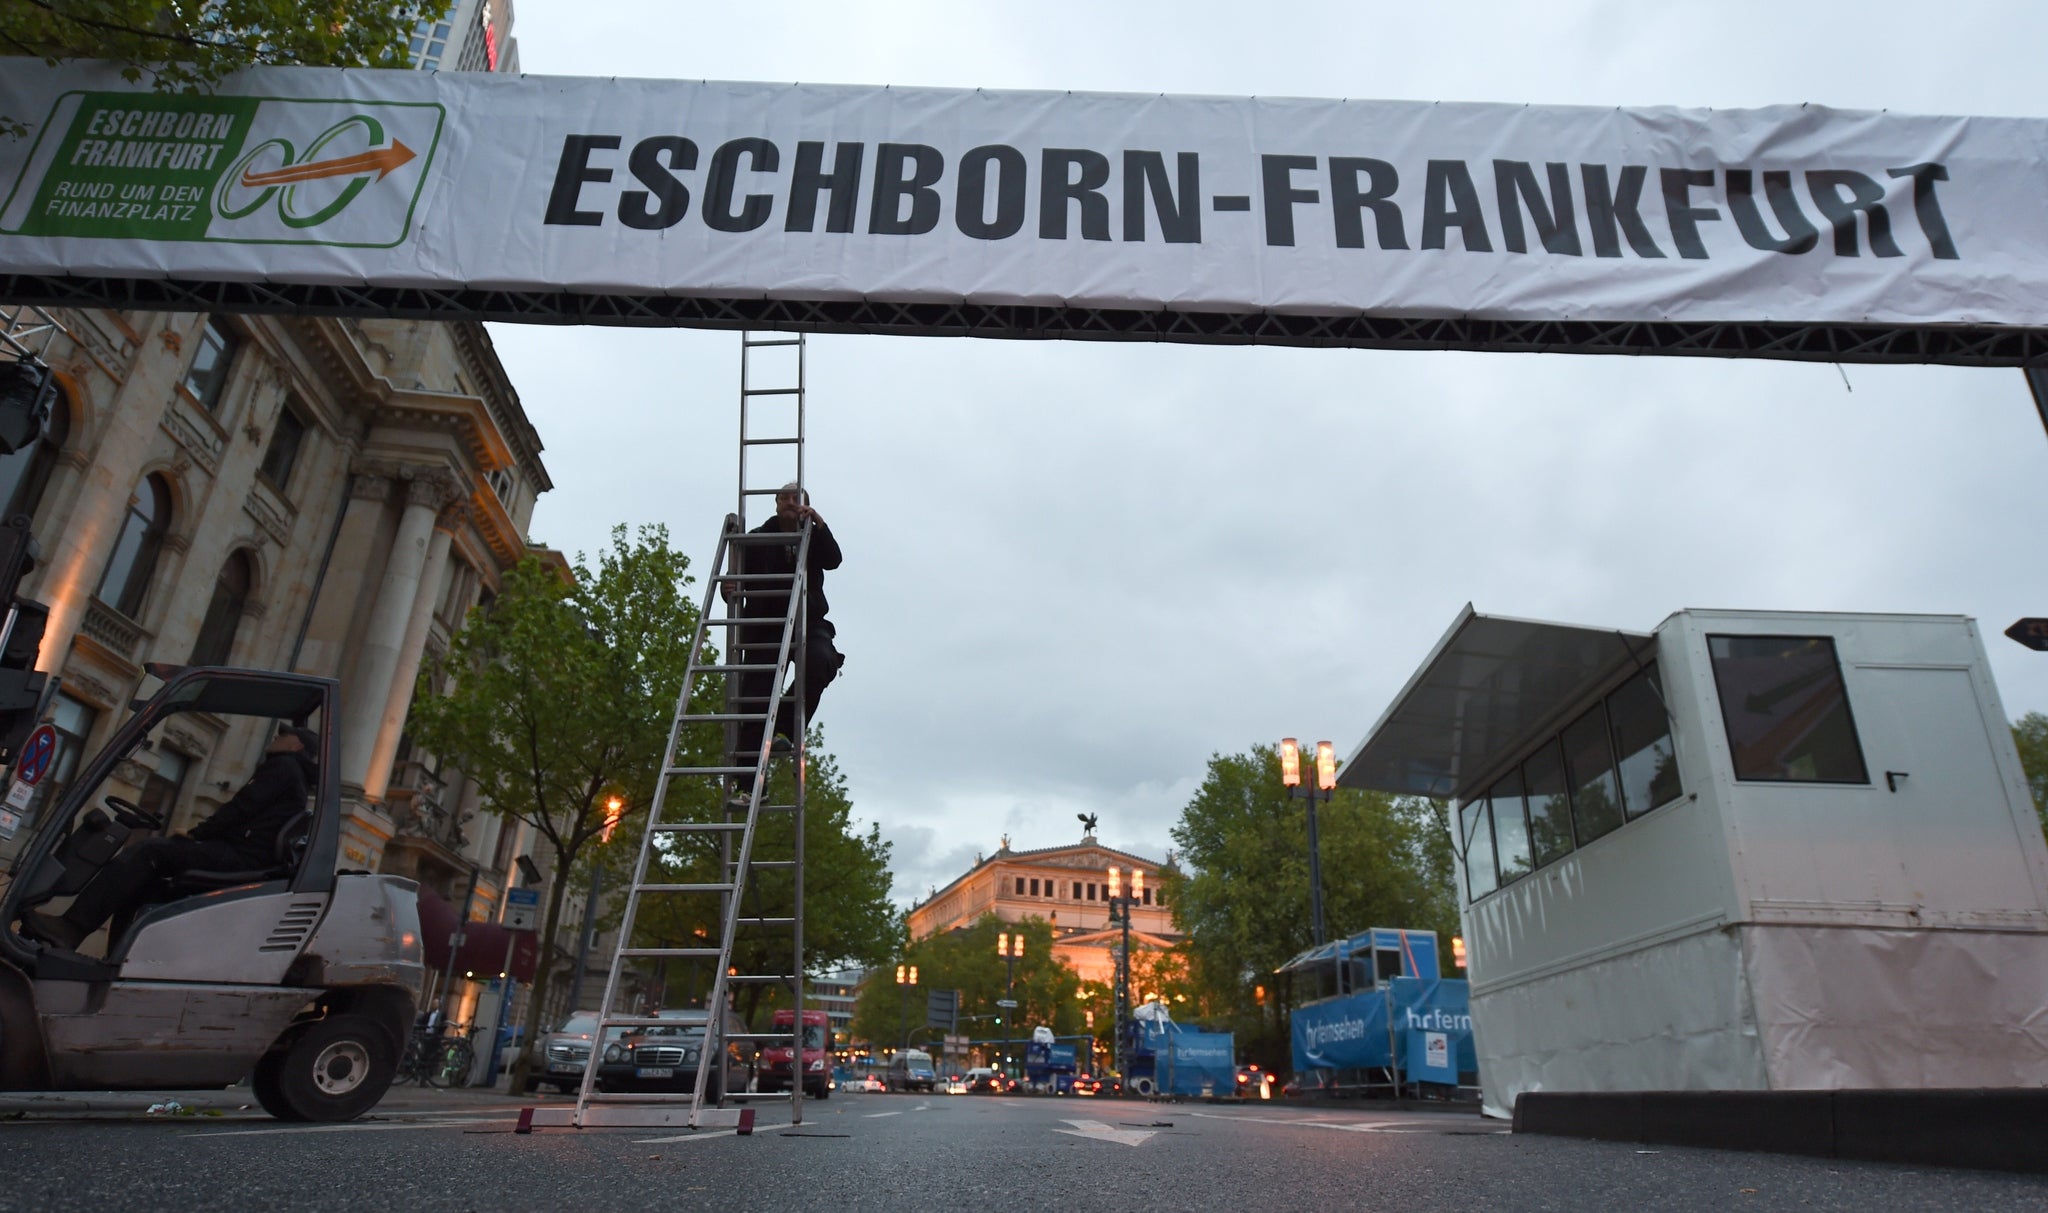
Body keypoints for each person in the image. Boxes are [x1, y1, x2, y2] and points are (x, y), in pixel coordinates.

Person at [22, 722, 318, 951]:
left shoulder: (283, 767)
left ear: (296, 745)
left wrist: (195, 833)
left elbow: (241, 808)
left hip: (240, 856)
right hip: (243, 853)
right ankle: (117, 954)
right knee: (144, 878)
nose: (275, 738)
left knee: (147, 852)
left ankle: (72, 927)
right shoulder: (293, 777)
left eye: (283, 736)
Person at [726, 482, 843, 770]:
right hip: (766, 624)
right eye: (784, 498)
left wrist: (820, 524)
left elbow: (834, 560)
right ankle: (748, 783)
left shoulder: (812, 538)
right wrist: (728, 589)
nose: (790, 502)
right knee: (755, 700)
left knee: (821, 661)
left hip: (807, 619)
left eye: (797, 498)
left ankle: (784, 729)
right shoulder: (757, 539)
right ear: (776, 503)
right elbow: (735, 579)